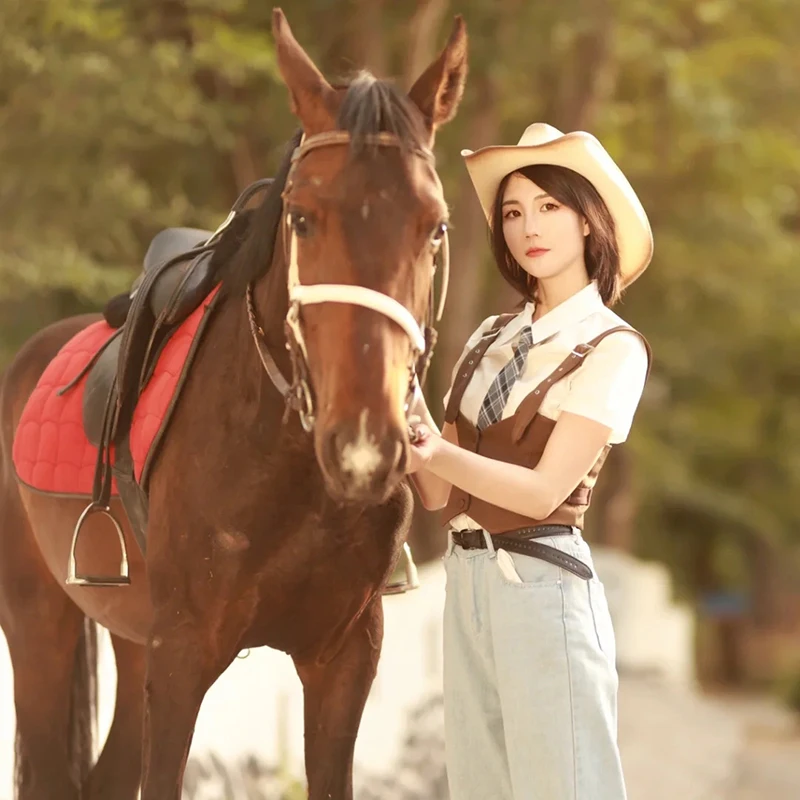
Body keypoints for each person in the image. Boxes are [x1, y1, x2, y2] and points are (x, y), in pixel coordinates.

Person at [406, 122, 654, 800]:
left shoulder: (612, 348)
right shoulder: (488, 337)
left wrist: (434, 447)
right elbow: (437, 495)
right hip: (467, 584)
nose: (527, 227)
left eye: (549, 207)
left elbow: (544, 491)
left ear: (588, 222)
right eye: (513, 212)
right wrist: (399, 411)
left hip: (543, 590)